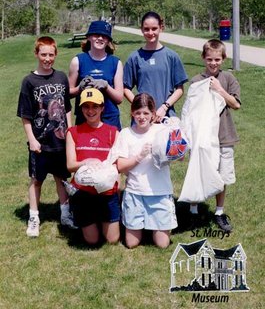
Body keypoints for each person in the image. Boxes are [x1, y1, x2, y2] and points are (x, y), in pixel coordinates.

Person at [17, 36, 75, 238]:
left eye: (51, 54)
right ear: (36, 54)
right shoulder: (29, 81)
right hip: (40, 144)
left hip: (60, 141)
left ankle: (66, 214)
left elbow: (67, 108)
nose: (47, 58)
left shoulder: (61, 78)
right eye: (43, 54)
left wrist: (70, 132)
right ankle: (34, 217)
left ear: (56, 54)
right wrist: (32, 139)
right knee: (37, 181)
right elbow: (25, 115)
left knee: (62, 179)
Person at [189, 39, 241, 232]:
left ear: (223, 59)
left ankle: (219, 212)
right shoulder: (196, 80)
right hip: (203, 137)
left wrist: (219, 89)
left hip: (224, 136)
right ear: (203, 58)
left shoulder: (228, 79)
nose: (213, 63)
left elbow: (235, 104)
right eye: (209, 59)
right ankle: (193, 211)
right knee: (199, 171)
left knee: (222, 177)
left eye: (217, 59)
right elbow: (192, 110)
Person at [115, 93, 178, 249]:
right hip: (135, 193)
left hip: (160, 192)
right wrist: (139, 156)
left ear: (153, 114)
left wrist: (174, 147)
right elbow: (120, 167)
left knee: (162, 244)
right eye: (137, 113)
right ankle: (142, 225)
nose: (141, 117)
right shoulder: (125, 134)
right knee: (131, 243)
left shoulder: (162, 130)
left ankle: (155, 225)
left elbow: (180, 156)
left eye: (146, 113)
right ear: (132, 113)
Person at [66, 88, 120, 245]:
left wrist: (117, 193)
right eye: (86, 106)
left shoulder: (113, 132)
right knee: (92, 240)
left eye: (95, 106)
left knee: (112, 239)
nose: (90, 111)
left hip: (106, 193)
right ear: (81, 108)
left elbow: (116, 167)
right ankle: (81, 213)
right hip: (84, 193)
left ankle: (103, 217)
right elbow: (70, 165)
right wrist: (87, 162)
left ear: (102, 108)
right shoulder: (73, 132)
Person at [123, 11, 188, 122]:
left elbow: (180, 89)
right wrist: (142, 108)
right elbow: (126, 88)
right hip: (142, 119)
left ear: (161, 28)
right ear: (141, 30)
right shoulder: (135, 57)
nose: (150, 32)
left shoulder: (171, 56)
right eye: (146, 29)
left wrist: (164, 107)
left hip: (166, 115)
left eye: (154, 28)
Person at [68, 20, 123, 129]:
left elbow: (119, 98)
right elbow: (68, 93)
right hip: (85, 117)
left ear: (108, 41)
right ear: (88, 37)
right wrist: (80, 88)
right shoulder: (78, 60)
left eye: (104, 36)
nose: (100, 38)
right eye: (96, 35)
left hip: (109, 117)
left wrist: (106, 86)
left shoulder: (115, 62)